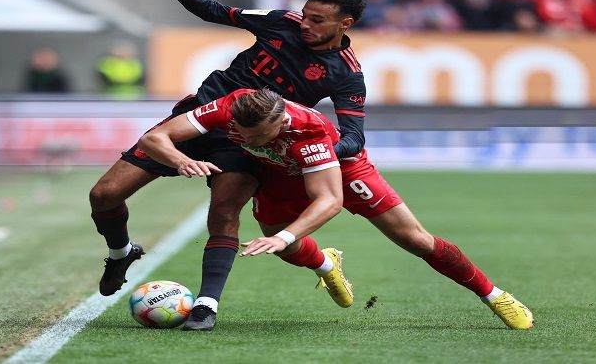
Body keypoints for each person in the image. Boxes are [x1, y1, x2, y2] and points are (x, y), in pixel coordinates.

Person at [88, 0, 367, 331]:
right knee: (103, 195)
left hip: (249, 141)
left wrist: (316, 155)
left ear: (344, 23)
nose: (305, 24)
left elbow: (354, 137)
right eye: (305, 15)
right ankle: (120, 253)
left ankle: (205, 307)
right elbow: (212, 10)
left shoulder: (347, 74)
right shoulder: (279, 22)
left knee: (224, 213)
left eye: (317, 20)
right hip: (203, 115)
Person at [140, 88, 535, 331]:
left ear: (280, 122)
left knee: (415, 239)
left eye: (258, 135)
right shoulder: (230, 108)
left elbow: (330, 200)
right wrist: (179, 160)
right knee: (286, 246)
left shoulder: (307, 131)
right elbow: (155, 136)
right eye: (244, 134)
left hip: (342, 171)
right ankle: (326, 265)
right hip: (281, 172)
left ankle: (493, 295)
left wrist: (284, 234)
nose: (245, 139)